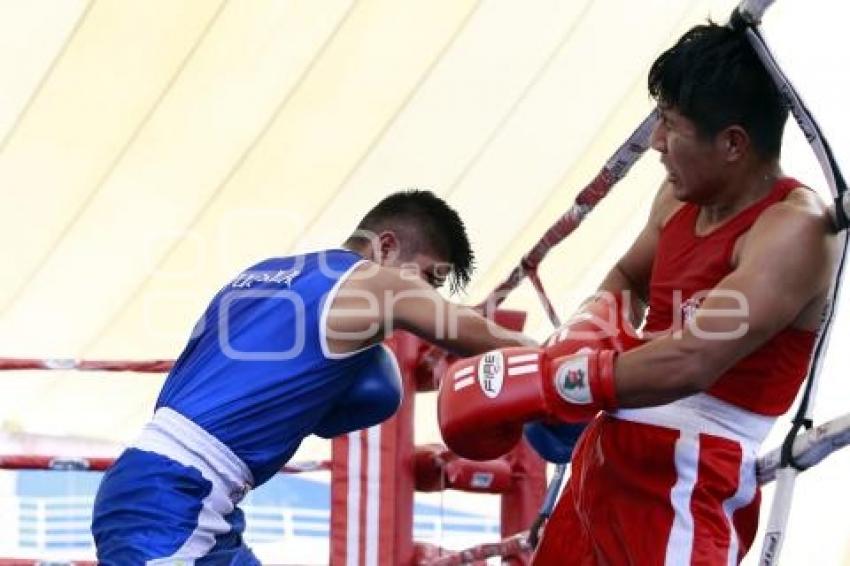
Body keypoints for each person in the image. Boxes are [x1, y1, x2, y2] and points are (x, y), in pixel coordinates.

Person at [438, 22, 838, 565]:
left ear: (733, 144)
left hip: (686, 481)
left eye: (670, 126)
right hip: (604, 461)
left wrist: (552, 380)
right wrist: (589, 327)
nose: (654, 143)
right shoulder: (678, 200)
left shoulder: (792, 231)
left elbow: (693, 361)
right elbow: (627, 277)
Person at [91, 189, 534, 565]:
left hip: (184, 494)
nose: (425, 297)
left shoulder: (262, 273)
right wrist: (564, 360)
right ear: (385, 247)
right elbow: (469, 331)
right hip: (175, 498)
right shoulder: (377, 284)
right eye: (427, 279)